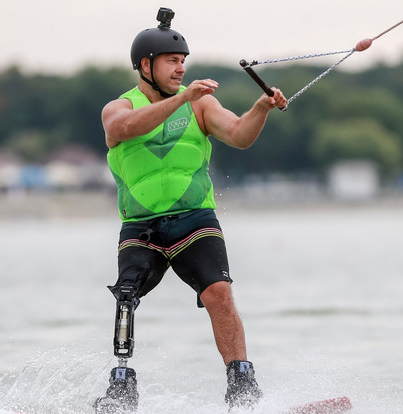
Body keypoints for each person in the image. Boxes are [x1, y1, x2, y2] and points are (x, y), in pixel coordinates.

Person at [93, 7, 287, 414]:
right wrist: (183, 97)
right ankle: (121, 387)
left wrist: (261, 110)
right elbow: (122, 131)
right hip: (139, 225)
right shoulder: (118, 107)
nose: (180, 69)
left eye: (183, 62)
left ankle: (242, 383)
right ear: (145, 66)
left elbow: (238, 135)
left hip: (194, 218)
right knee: (125, 297)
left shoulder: (201, 105)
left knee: (219, 291)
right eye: (171, 62)